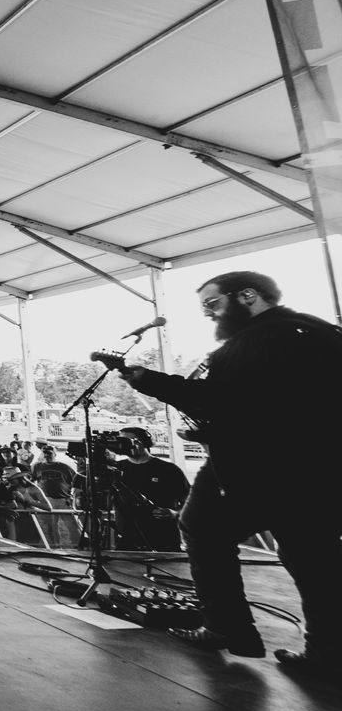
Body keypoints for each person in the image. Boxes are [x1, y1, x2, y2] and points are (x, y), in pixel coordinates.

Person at [119, 271, 342, 677]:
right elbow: (267, 404)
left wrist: (148, 381)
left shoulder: (249, 343)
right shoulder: (321, 331)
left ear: (248, 296)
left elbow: (215, 401)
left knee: (201, 526)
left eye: (213, 303)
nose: (208, 313)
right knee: (313, 556)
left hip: (254, 466)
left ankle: (228, 627)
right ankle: (327, 653)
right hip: (320, 469)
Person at [110, 427, 188, 552]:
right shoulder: (116, 469)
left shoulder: (168, 469)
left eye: (127, 440)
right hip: (127, 541)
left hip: (163, 539)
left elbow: (191, 502)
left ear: (142, 442)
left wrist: (175, 513)